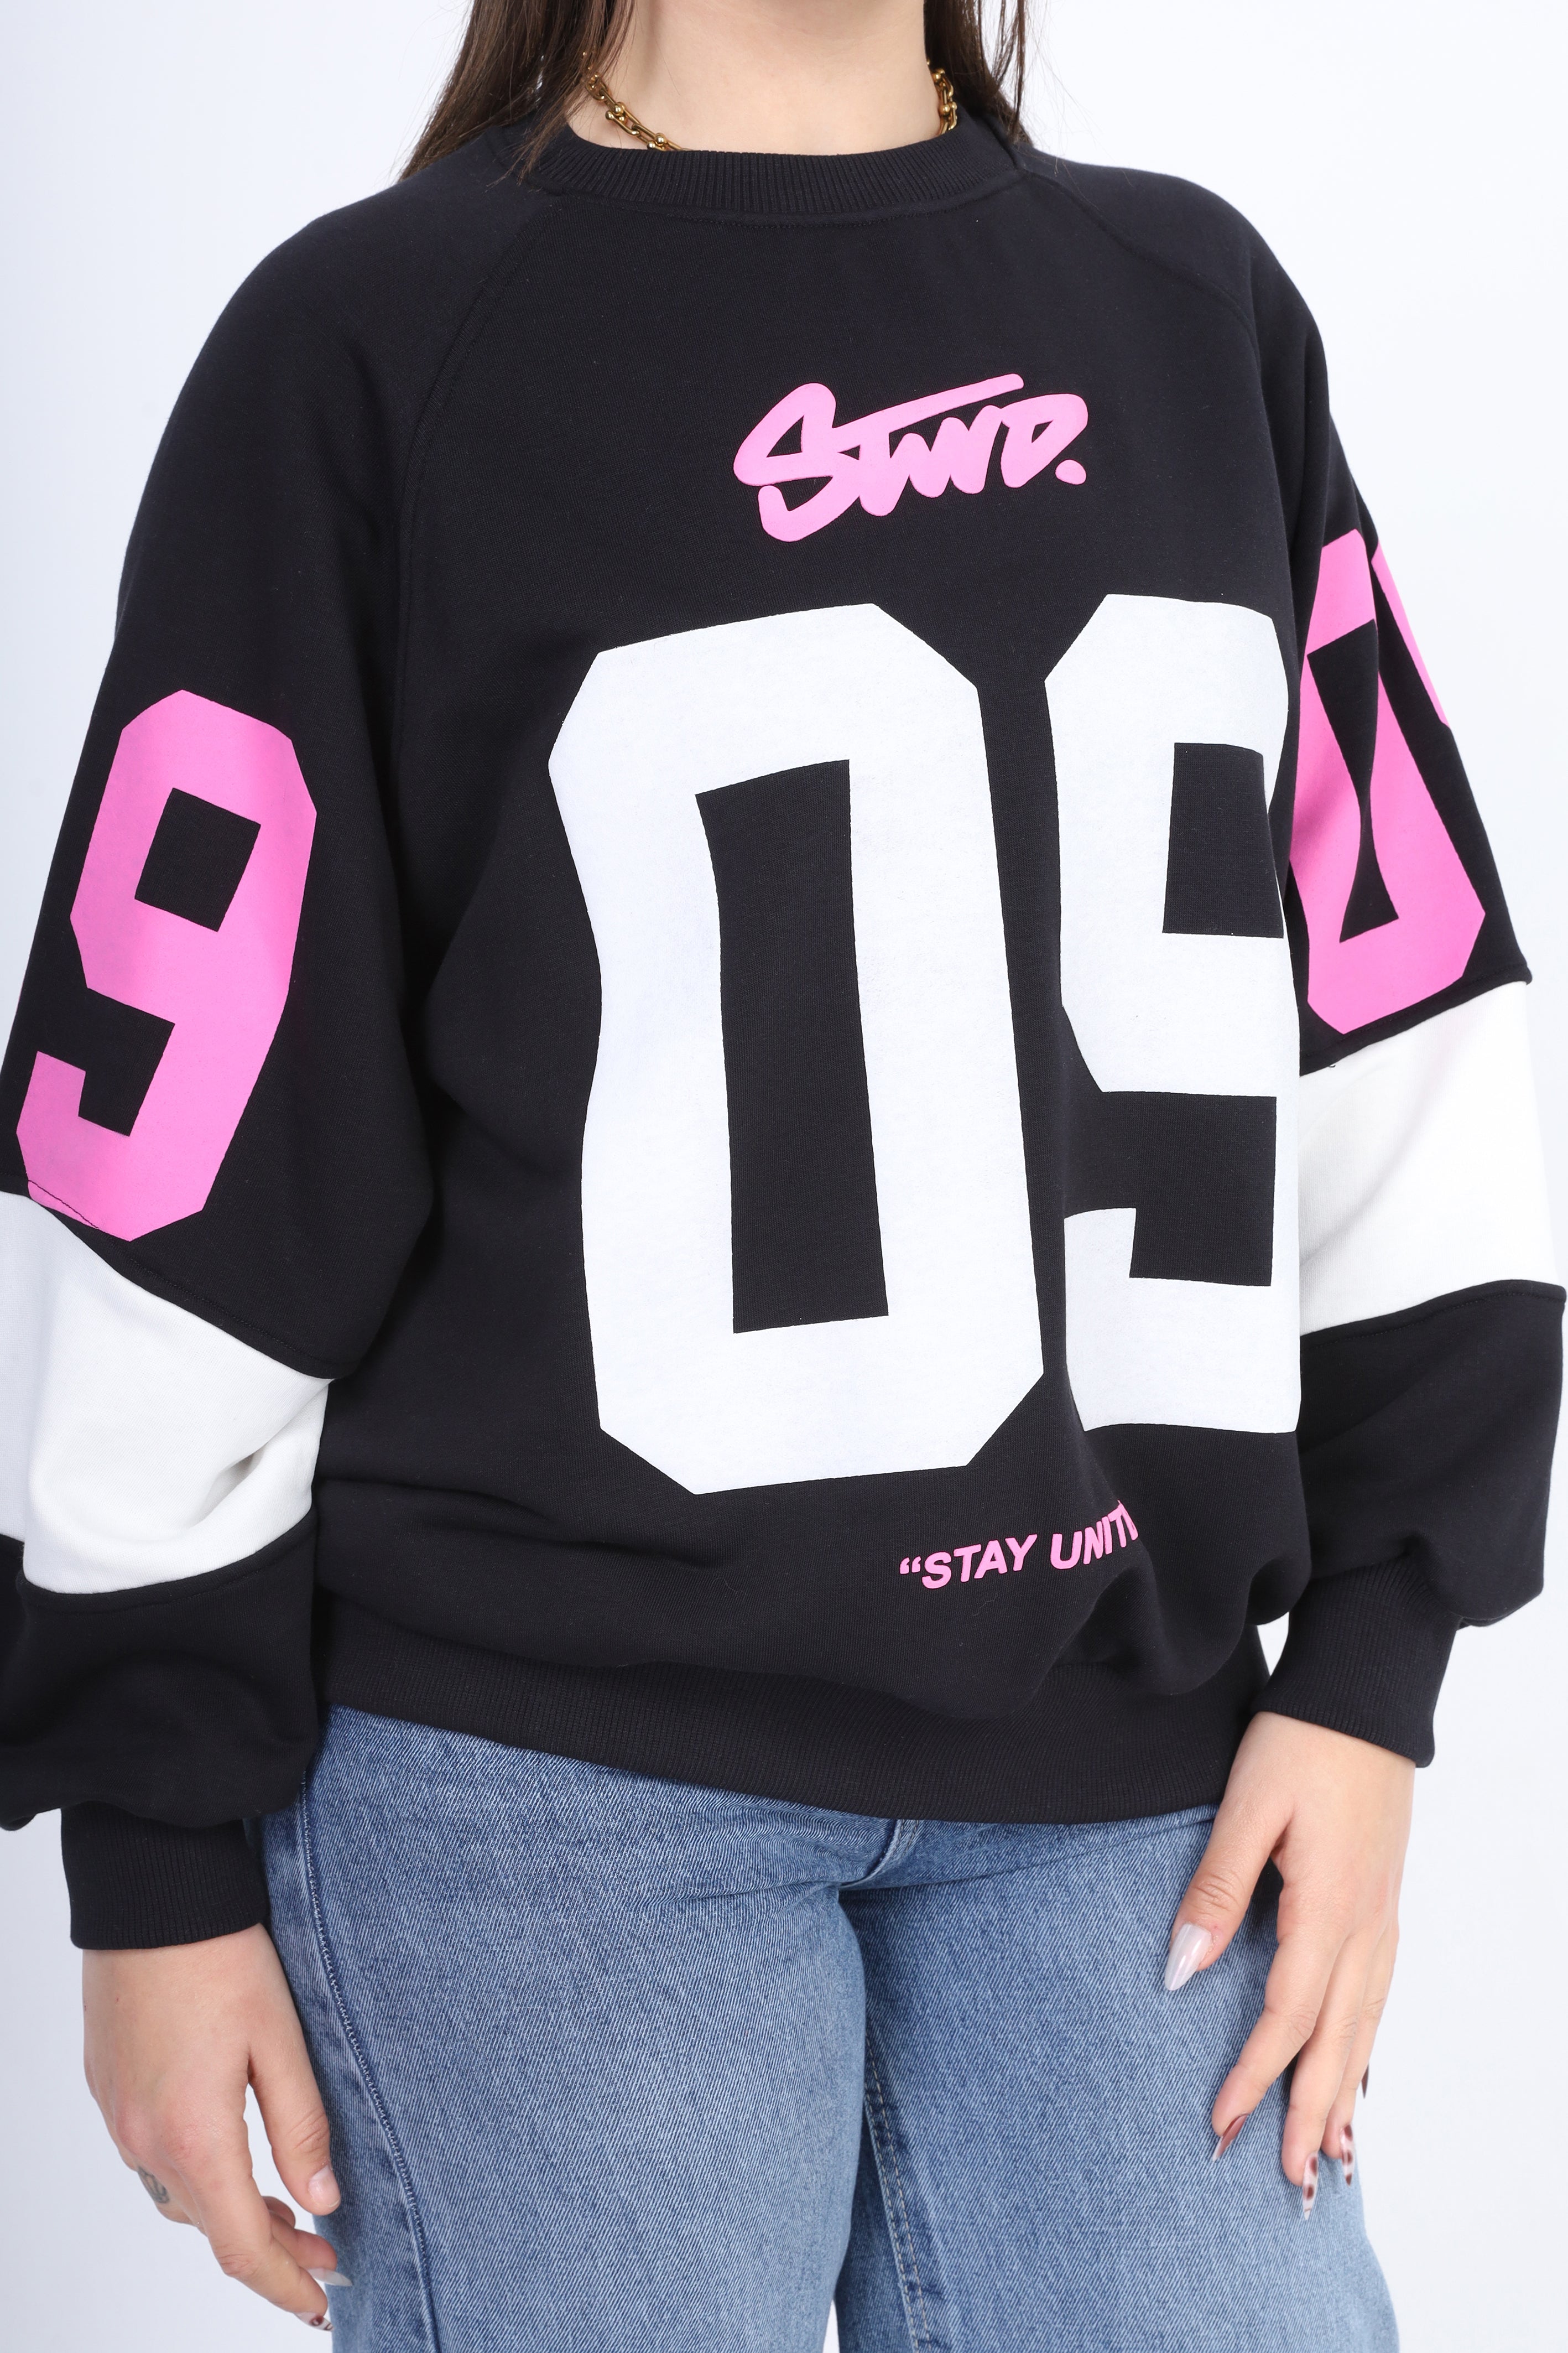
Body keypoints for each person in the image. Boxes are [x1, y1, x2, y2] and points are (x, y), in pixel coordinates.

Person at [1, 0, 1559, 2344]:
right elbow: (194, 1114)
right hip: (532, 1774)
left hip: (1124, 1760)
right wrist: (152, 1845)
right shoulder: (373, 343)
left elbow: (1384, 996)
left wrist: (1370, 1672)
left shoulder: (1191, 310)